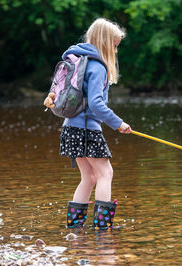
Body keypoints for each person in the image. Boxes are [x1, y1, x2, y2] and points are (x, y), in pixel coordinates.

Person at [43, 17, 131, 230]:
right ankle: (102, 228)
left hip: (70, 128)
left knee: (89, 177)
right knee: (105, 174)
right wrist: (119, 124)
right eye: (114, 46)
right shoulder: (97, 66)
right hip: (86, 129)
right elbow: (96, 104)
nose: (116, 52)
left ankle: (74, 227)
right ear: (104, 42)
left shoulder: (75, 58)